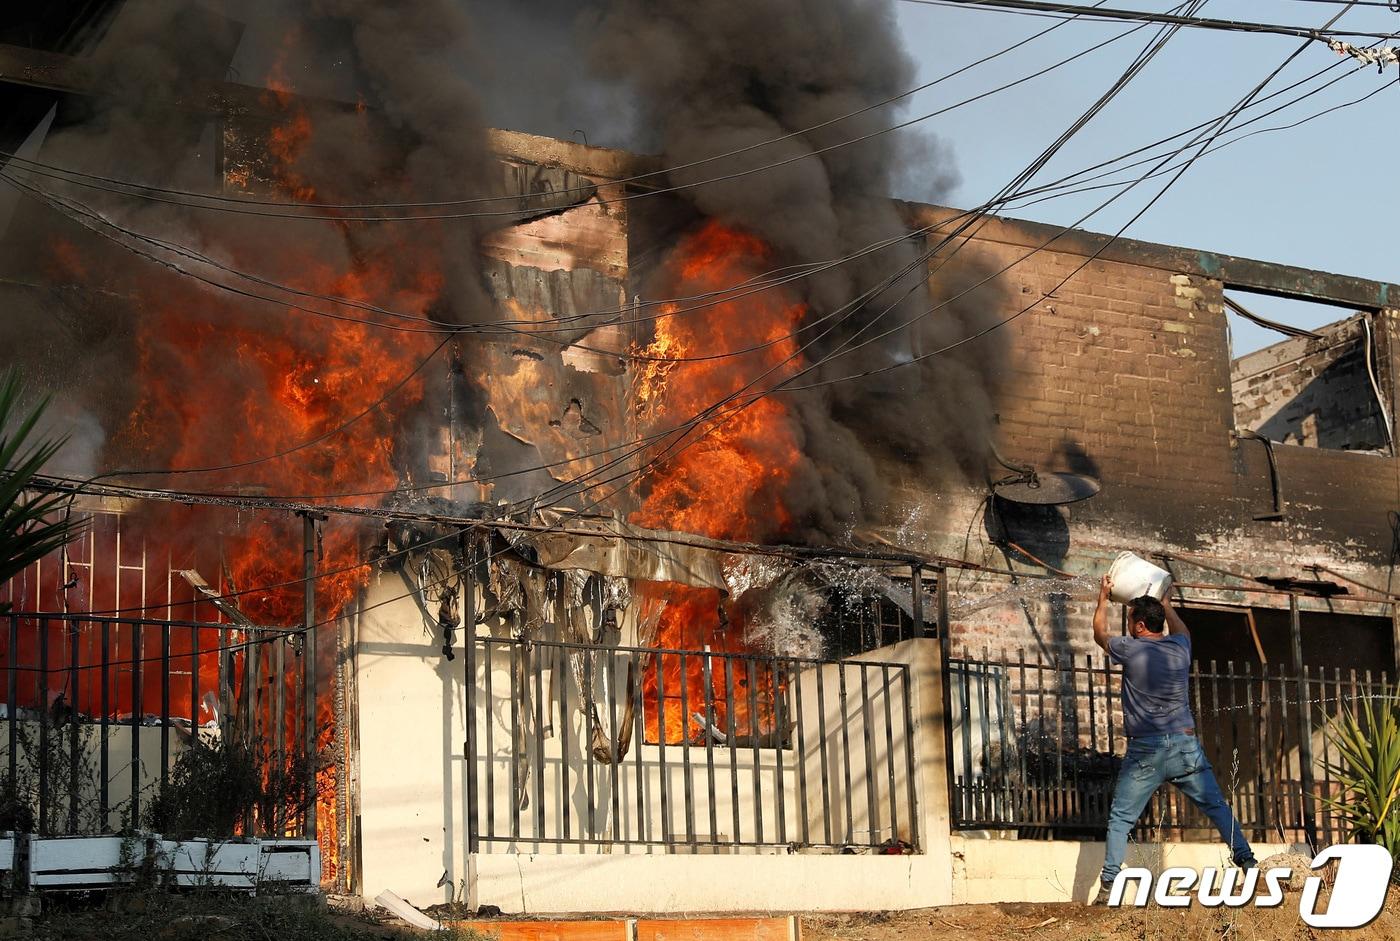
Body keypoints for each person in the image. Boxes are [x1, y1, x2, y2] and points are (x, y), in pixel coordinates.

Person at [1092, 574, 1256, 899]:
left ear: (1139, 626)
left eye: (1129, 620)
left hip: (1146, 751)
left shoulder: (1130, 649)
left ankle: (1109, 883)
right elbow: (1183, 630)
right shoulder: (1179, 647)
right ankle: (1248, 863)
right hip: (1184, 746)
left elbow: (1099, 633)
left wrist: (1102, 597)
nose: (1128, 626)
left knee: (1122, 817)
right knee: (1217, 807)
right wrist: (1167, 604)